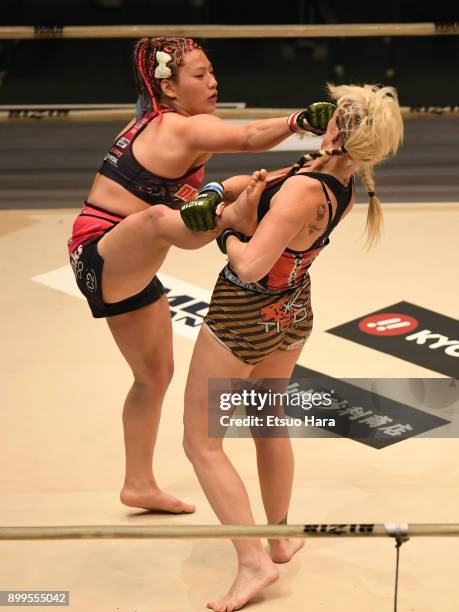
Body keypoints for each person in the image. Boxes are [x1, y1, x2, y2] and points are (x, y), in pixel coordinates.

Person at [67, 35, 334, 514]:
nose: (212, 82)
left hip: (129, 262)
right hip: (102, 250)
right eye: (199, 75)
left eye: (212, 72)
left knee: (153, 377)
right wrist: (299, 122)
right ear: (168, 89)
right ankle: (223, 221)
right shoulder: (177, 128)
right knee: (164, 221)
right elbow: (249, 138)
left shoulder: (170, 120)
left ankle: (138, 483)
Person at [181, 83, 404, 610]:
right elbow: (262, 186)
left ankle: (254, 563)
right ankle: (279, 537)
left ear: (340, 129)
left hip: (245, 314)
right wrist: (227, 191)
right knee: (265, 422)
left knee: (201, 443)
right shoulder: (341, 180)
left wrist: (228, 228)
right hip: (292, 311)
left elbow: (250, 264)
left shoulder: (308, 187)